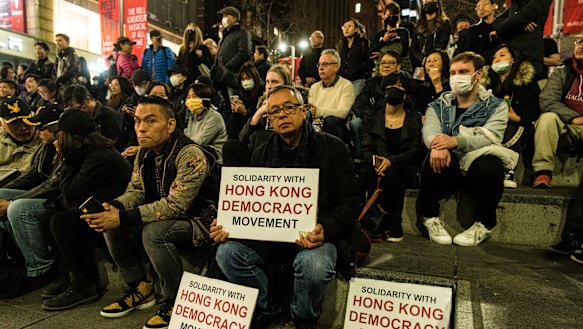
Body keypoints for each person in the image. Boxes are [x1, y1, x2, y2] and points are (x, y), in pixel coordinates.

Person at [211, 85, 360, 329]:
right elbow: (251, 206)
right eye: (274, 111)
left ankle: (303, 317)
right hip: (272, 239)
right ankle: (268, 307)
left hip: (317, 238)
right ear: (269, 120)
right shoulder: (260, 153)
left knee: (314, 266)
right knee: (226, 253)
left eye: (288, 108)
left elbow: (350, 201)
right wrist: (228, 224)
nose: (282, 115)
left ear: (304, 112)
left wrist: (325, 228)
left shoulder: (333, 147)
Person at [84, 96, 213, 329]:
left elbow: (176, 205)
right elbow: (135, 190)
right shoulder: (144, 152)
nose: (141, 128)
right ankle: (140, 287)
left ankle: (176, 300)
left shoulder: (190, 154)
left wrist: (123, 216)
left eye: (150, 121)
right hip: (168, 215)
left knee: (152, 232)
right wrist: (115, 207)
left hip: (200, 221)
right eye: (137, 121)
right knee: (110, 222)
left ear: (171, 125)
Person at [41, 110, 132, 311]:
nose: (56, 139)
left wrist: (65, 159)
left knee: (61, 221)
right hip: (97, 209)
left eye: (59, 135)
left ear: (70, 138)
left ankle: (84, 283)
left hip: (117, 218)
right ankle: (68, 275)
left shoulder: (98, 156)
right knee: (48, 215)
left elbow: (69, 192)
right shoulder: (88, 152)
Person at [420, 51, 508, 247]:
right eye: (452, 73)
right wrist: (438, 146)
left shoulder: (496, 106)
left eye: (463, 71)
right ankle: (429, 217)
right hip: (448, 167)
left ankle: (484, 224)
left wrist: (456, 141)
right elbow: (430, 132)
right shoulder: (438, 104)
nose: (456, 77)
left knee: (491, 165)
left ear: (477, 74)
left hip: (477, 169)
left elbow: (489, 137)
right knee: (431, 157)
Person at [0, 102, 62, 291]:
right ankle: (17, 260)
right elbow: (35, 174)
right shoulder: (48, 145)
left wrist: (12, 201)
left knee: (18, 208)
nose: (31, 129)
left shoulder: (67, 145)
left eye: (41, 127)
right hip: (45, 193)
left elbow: (54, 185)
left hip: (62, 200)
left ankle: (40, 269)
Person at [360, 72, 423, 242]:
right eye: (390, 86)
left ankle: (395, 224)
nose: (393, 90)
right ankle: (362, 223)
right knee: (364, 173)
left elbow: (414, 152)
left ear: (407, 94)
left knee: (393, 173)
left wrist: (391, 161)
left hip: (403, 167)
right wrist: (375, 160)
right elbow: (364, 148)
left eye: (399, 87)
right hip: (376, 163)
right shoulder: (372, 116)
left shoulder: (413, 119)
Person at [480, 44, 541, 187]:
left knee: (509, 125)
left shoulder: (527, 81)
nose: (496, 59)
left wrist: (518, 117)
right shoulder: (485, 83)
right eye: (494, 57)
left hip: (517, 125)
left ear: (513, 60)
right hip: (488, 124)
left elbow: (535, 108)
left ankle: (507, 169)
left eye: (502, 55)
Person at [531, 34, 583, 188]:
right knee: (547, 118)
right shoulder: (562, 72)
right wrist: (574, 118)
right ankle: (543, 172)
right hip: (567, 125)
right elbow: (547, 100)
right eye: (578, 42)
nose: (580, 45)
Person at [493, 0, 551, 78]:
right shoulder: (516, 4)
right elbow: (497, 24)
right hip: (513, 61)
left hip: (529, 60)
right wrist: (519, 24)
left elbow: (524, 16)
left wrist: (513, 23)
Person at [308, 49, 355, 144]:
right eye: (319, 65)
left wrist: (319, 111)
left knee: (330, 121)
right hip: (316, 126)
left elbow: (343, 113)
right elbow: (312, 112)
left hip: (337, 128)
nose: (320, 68)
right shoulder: (314, 87)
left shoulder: (346, 85)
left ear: (336, 67)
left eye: (325, 64)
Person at [62, 84, 124, 149]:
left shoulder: (110, 115)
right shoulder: (75, 117)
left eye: (78, 108)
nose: (76, 113)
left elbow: (115, 145)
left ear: (88, 100)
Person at [212, 6, 252, 103]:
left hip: (232, 79)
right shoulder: (224, 36)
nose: (223, 19)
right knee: (224, 108)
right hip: (221, 79)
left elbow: (244, 53)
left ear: (234, 18)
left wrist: (227, 67)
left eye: (226, 15)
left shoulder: (242, 33)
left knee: (234, 106)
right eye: (223, 16)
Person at [184, 83, 228, 163]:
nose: (190, 100)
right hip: (193, 156)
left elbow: (199, 142)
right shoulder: (191, 117)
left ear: (204, 99)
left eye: (194, 97)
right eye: (188, 97)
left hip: (213, 158)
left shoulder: (214, 117)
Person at [0, 97, 41, 174]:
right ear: (3, 125)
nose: (23, 127)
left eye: (27, 121)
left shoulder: (46, 142)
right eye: (15, 124)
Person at [370, 3, 412, 74]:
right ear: (384, 15)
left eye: (394, 15)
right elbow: (371, 53)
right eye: (389, 15)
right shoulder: (379, 35)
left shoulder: (403, 32)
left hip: (401, 69)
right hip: (381, 71)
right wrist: (384, 41)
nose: (391, 17)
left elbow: (404, 52)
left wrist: (382, 54)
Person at [409, 0, 451, 70]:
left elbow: (442, 44)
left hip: (436, 63)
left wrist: (430, 59)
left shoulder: (444, 23)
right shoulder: (418, 25)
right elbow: (414, 47)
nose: (427, 3)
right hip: (419, 65)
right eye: (425, 1)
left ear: (437, 3)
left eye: (430, 1)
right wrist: (422, 59)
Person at [337, 18, 373, 97]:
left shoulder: (363, 42)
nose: (346, 29)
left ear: (356, 29)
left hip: (357, 80)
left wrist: (361, 72)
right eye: (344, 27)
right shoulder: (342, 44)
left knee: (354, 103)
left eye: (349, 26)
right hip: (343, 81)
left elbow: (369, 62)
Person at [458, 0, 499, 65]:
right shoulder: (473, 30)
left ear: (494, 6)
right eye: (478, 7)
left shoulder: (502, 26)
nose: (481, 8)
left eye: (484, 4)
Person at [230, 62, 263, 138]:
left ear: (254, 77)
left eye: (248, 78)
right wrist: (236, 111)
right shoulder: (242, 95)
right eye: (243, 79)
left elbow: (257, 118)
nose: (245, 82)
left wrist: (245, 112)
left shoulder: (261, 94)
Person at [413, 50, 450, 116]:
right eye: (428, 61)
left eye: (435, 60)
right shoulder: (421, 88)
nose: (431, 64)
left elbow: (446, 110)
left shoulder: (451, 84)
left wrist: (437, 85)